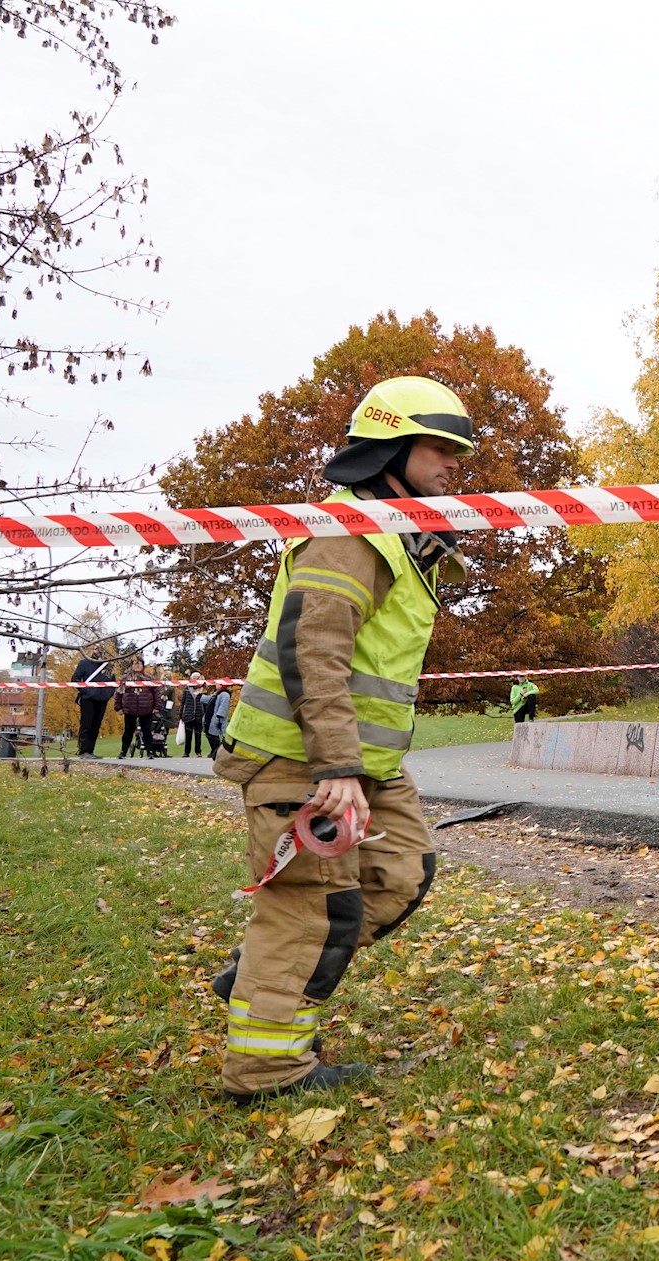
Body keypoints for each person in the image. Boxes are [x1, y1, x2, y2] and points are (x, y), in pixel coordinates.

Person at [212, 376, 472, 1104]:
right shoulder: (351, 531)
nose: (454, 463)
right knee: (310, 907)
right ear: (390, 445)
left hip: (363, 765)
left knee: (400, 873)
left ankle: (257, 978)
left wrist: (361, 767)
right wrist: (339, 767)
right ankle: (265, 1068)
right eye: (440, 446)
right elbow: (313, 649)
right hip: (304, 760)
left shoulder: (394, 533)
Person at [70, 644, 118, 757]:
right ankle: (83, 750)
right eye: (96, 648)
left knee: (96, 725)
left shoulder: (108, 666)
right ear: (92, 650)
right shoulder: (84, 663)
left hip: (102, 700)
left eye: (101, 648)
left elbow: (112, 682)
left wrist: (107, 695)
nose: (98, 651)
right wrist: (86, 691)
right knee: (86, 725)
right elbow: (75, 679)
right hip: (88, 699)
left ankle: (90, 750)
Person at [115, 665, 161, 759]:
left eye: (139, 663)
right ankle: (123, 752)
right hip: (129, 708)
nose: (137, 665)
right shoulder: (125, 678)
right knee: (128, 732)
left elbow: (156, 693)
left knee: (147, 731)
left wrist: (157, 706)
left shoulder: (149, 679)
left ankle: (150, 752)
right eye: (135, 663)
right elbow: (119, 693)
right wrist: (118, 707)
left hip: (146, 708)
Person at [182, 685, 212, 757]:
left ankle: (198, 751)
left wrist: (205, 714)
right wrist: (181, 714)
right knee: (188, 736)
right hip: (188, 715)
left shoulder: (203, 690)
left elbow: (206, 703)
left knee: (198, 736)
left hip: (199, 715)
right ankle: (186, 752)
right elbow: (183, 702)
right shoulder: (187, 689)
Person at [205, 685, 232, 758]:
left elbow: (223, 708)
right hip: (211, 718)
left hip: (217, 719)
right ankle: (214, 750)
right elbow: (208, 700)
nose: (216, 685)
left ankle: (218, 752)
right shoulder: (217, 694)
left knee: (215, 736)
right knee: (210, 735)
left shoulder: (225, 695)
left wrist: (219, 718)